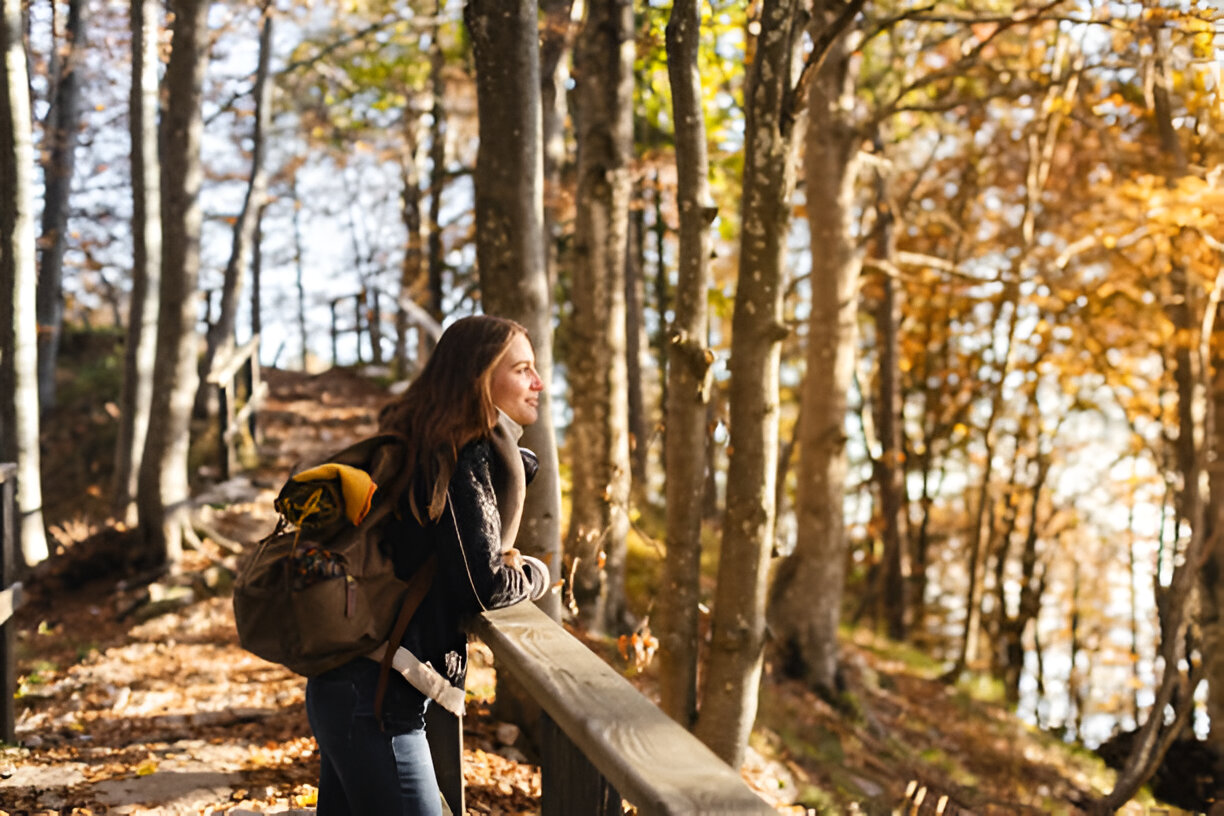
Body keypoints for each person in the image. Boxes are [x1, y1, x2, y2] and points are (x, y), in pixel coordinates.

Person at [304, 315, 552, 816]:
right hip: (373, 700)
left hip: (353, 686)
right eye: (522, 368)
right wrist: (539, 575)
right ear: (481, 377)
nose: (538, 382)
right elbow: (483, 587)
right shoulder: (460, 453)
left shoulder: (431, 441)